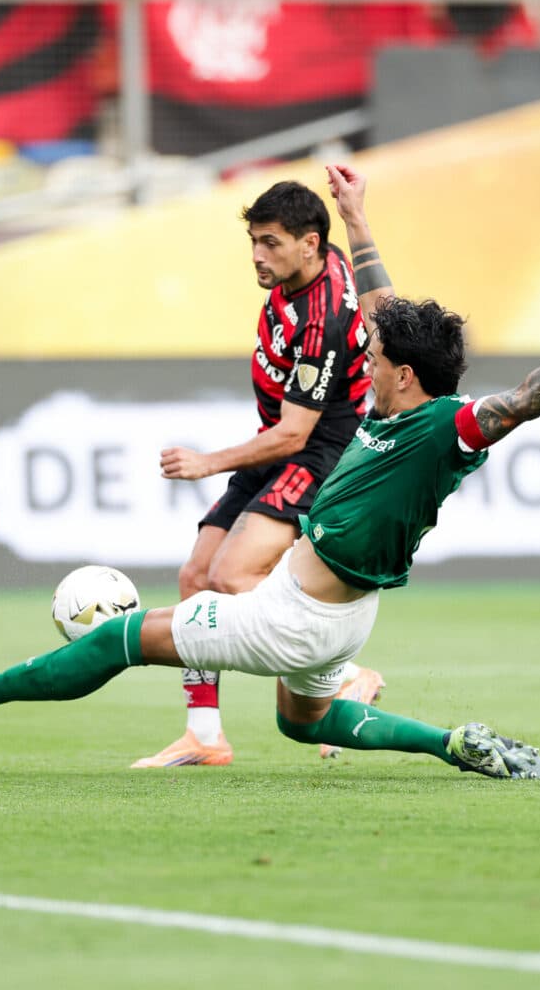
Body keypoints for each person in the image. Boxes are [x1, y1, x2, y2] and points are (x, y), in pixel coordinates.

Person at [0, 163, 540, 781]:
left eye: (373, 363)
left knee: (121, 638)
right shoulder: (396, 406)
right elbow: (380, 309)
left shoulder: (446, 426)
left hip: (292, 617)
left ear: (404, 376)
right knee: (297, 721)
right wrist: (357, 218)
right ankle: (449, 743)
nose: (364, 367)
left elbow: (521, 404)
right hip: (341, 619)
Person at [131, 179, 385, 769]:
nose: (256, 255)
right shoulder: (316, 265)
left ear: (308, 244)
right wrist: (357, 215)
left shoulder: (320, 320)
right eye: (253, 241)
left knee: (233, 575)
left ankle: (347, 674)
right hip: (276, 446)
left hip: (319, 452)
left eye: (270, 243)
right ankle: (204, 734)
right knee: (197, 575)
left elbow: (298, 433)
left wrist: (206, 462)